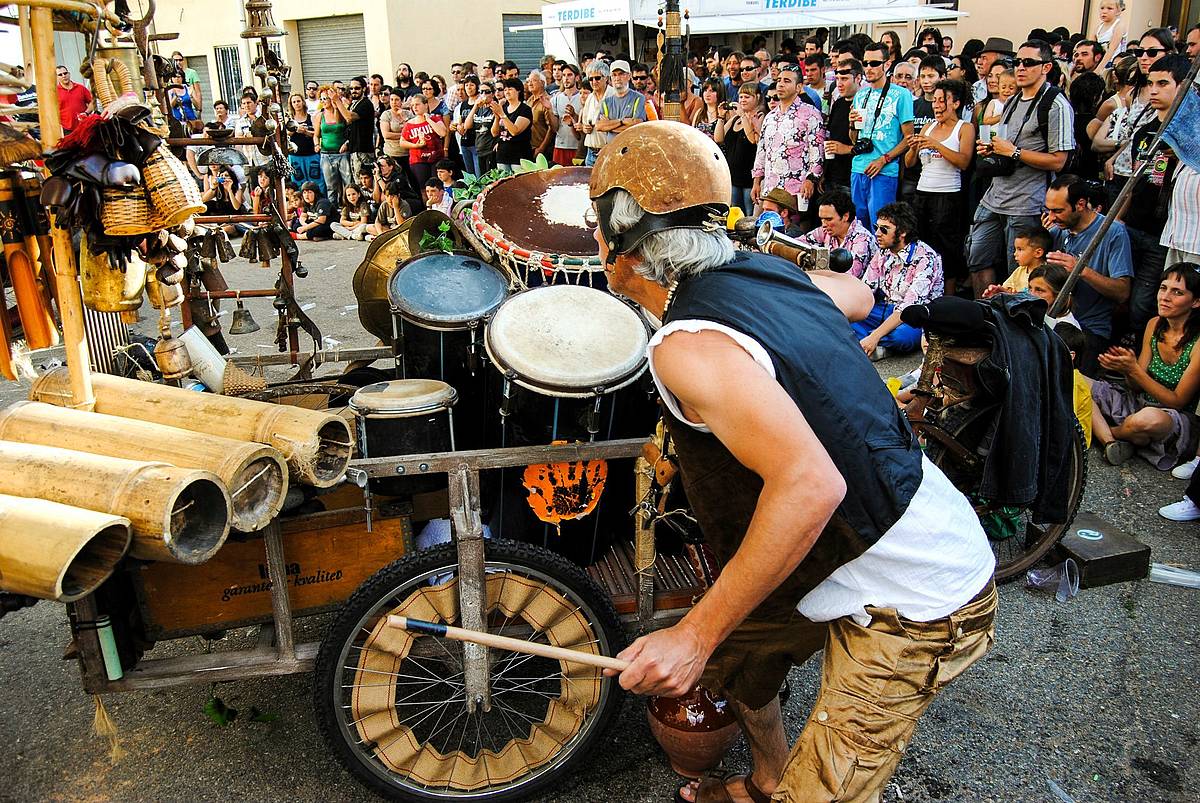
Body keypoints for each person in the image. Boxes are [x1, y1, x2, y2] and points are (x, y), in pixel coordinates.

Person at [587, 120, 996, 803]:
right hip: (853, 541)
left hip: (918, 595)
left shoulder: (684, 345)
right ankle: (768, 776)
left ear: (617, 245)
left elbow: (809, 484)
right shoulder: (765, 271)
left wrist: (690, 635)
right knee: (741, 656)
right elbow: (859, 298)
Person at [967, 39, 1075, 298]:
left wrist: (1012, 152)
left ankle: (1013, 328)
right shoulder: (1014, 99)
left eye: (1029, 63)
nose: (1021, 68)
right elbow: (1007, 145)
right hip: (995, 196)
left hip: (1027, 202)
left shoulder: (1056, 104)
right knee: (976, 257)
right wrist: (992, 149)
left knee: (1021, 272)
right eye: (1017, 62)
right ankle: (987, 318)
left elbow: (1059, 160)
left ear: (1047, 66)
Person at [1090, 263, 1200, 468]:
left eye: (1177, 292)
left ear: (1196, 302)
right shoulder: (1155, 324)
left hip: (1171, 419)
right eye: (1163, 288)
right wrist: (1125, 367)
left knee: (1146, 420)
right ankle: (1120, 439)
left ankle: (1106, 433)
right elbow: (1135, 387)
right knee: (1074, 379)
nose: (1165, 297)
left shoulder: (1198, 343)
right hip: (1138, 402)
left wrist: (1133, 370)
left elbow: (1177, 401)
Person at [1122, 54, 1188, 332]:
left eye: (1163, 83)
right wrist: (1119, 220)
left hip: (1163, 233)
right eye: (1151, 83)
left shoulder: (1189, 136)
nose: (1154, 90)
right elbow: (1135, 183)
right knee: (1125, 295)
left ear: (1182, 87)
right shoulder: (1145, 132)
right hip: (1134, 225)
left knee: (1144, 302)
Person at [1043, 174, 1132, 373]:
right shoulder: (1057, 229)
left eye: (1058, 211)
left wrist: (1081, 270)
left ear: (1081, 204)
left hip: (1088, 328)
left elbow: (1122, 292)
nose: (1051, 217)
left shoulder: (1113, 232)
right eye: (1048, 210)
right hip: (1052, 320)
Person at [906, 79, 973, 297]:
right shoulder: (929, 126)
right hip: (922, 192)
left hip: (948, 195)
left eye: (942, 101)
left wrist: (936, 145)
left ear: (955, 103)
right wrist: (913, 147)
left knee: (947, 251)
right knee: (921, 244)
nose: (937, 106)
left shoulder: (965, 128)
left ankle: (948, 300)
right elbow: (909, 163)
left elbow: (963, 161)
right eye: (934, 101)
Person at [853, 201, 944, 357]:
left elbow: (907, 309)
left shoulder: (926, 258)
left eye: (884, 229)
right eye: (876, 227)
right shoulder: (883, 252)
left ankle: (867, 341)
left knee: (901, 338)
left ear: (903, 232)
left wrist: (875, 336)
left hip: (916, 316)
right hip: (885, 308)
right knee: (844, 319)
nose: (877, 233)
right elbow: (865, 289)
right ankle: (872, 343)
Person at [848, 42, 914, 229]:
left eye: (874, 63)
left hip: (884, 170)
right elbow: (854, 139)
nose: (869, 68)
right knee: (859, 228)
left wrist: (883, 160)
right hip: (859, 167)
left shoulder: (901, 95)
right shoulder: (860, 95)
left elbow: (909, 138)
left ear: (887, 64)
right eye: (866, 63)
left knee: (881, 228)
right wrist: (852, 124)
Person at [753, 63, 823, 221]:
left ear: (798, 87)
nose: (781, 84)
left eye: (787, 81)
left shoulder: (810, 113)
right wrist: (757, 181)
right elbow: (762, 151)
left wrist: (811, 180)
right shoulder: (770, 116)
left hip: (797, 188)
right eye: (779, 80)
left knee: (794, 231)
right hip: (771, 187)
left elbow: (817, 152)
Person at [801, 189, 878, 278]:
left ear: (845, 216)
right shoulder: (825, 231)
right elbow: (798, 242)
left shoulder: (862, 240)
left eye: (829, 219)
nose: (824, 224)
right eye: (822, 219)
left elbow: (849, 276)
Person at [716, 83, 763, 216]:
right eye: (741, 96)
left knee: (749, 215)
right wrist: (721, 117)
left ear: (757, 97)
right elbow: (719, 138)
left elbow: (752, 140)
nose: (742, 100)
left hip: (749, 179)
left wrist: (744, 115)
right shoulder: (735, 119)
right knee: (734, 214)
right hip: (733, 177)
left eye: (747, 96)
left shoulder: (760, 117)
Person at [1053, 322, 1095, 448]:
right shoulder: (1057, 372)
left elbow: (1066, 421)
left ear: (1070, 356)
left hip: (1073, 448)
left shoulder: (1073, 382)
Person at [315, 86, 354, 209]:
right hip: (326, 154)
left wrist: (347, 143)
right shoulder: (319, 116)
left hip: (342, 153)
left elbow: (351, 131)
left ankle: (350, 207)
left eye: (326, 98)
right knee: (331, 185)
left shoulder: (342, 113)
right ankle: (333, 209)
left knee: (348, 182)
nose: (324, 101)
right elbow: (316, 135)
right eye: (321, 99)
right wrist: (316, 144)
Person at [400, 93, 448, 194]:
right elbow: (402, 142)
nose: (415, 107)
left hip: (436, 157)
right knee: (424, 188)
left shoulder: (435, 118)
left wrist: (428, 120)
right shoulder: (409, 124)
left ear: (426, 105)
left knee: (438, 186)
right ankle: (428, 208)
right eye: (413, 105)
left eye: (417, 104)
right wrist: (415, 145)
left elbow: (443, 132)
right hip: (418, 160)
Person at [984, 226, 1053, 295]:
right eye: (1015, 249)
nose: (1015, 254)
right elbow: (1007, 290)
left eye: (1020, 249)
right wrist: (999, 292)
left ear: (1038, 253)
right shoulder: (1019, 271)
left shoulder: (1047, 274)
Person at [597, 60, 649, 143]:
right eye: (614, 75)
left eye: (621, 74)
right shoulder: (606, 102)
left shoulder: (639, 98)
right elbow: (599, 126)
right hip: (611, 149)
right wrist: (622, 121)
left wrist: (610, 126)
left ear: (629, 76)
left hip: (631, 148)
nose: (617, 78)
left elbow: (637, 125)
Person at [491, 78, 532, 172]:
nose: (507, 92)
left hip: (519, 155)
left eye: (510, 89)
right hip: (502, 155)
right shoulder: (503, 108)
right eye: (505, 90)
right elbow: (494, 133)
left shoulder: (525, 109)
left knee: (519, 184)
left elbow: (515, 131)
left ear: (518, 91)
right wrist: (497, 118)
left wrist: (502, 114)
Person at [286, 93, 323, 195]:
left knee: (317, 181)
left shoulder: (311, 117)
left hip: (311, 154)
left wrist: (305, 131)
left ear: (303, 102)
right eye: (294, 102)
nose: (296, 104)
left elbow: (317, 133)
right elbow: (285, 135)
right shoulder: (289, 119)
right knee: (298, 182)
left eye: (298, 101)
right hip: (295, 156)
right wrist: (295, 129)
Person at [579, 61, 612, 166]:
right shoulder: (590, 97)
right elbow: (584, 125)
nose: (594, 82)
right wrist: (585, 128)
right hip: (591, 151)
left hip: (609, 151)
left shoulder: (614, 95)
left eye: (597, 78)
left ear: (606, 78)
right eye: (590, 79)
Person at [549, 64, 582, 167]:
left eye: (569, 75)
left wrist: (574, 116)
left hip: (578, 147)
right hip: (560, 146)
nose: (566, 78)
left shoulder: (583, 97)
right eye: (564, 75)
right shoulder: (556, 98)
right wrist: (549, 109)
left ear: (577, 77)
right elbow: (554, 128)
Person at [345, 76, 376, 179]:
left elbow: (349, 117)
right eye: (351, 88)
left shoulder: (366, 103)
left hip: (364, 150)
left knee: (365, 183)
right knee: (357, 183)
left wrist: (337, 101)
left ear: (363, 88)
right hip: (354, 149)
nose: (354, 91)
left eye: (357, 88)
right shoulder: (353, 104)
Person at [452, 75, 482, 175]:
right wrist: (458, 126)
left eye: (472, 85)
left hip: (476, 143)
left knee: (479, 174)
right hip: (465, 142)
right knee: (470, 175)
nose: (469, 87)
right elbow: (460, 122)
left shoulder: (480, 102)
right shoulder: (463, 104)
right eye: (467, 85)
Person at [525, 70, 557, 159]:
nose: (530, 83)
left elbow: (551, 128)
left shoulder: (548, 101)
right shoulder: (529, 101)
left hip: (544, 149)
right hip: (529, 147)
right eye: (528, 81)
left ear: (542, 83)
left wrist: (541, 148)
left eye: (534, 80)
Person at [971, 37, 1014, 103]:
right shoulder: (976, 86)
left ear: (998, 60)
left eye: (984, 58)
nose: (979, 62)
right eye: (990, 76)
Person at [55, 65, 93, 134]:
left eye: (65, 73)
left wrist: (86, 113)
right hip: (67, 130)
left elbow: (92, 102)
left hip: (84, 127)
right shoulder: (55, 93)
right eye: (60, 75)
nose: (64, 76)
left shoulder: (81, 88)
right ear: (57, 78)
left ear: (69, 74)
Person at [471, 81, 498, 174]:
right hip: (479, 149)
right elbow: (467, 125)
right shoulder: (478, 109)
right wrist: (475, 106)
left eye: (487, 92)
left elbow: (496, 132)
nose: (484, 94)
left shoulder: (496, 108)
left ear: (493, 94)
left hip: (491, 150)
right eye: (481, 92)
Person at [1093, 0, 1129, 66]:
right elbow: (1091, 47)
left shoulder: (1119, 26)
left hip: (1115, 63)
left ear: (1118, 11)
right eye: (1102, 8)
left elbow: (1112, 49)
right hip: (1100, 61)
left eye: (1110, 8)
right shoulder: (1098, 28)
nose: (1104, 11)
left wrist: (1099, 69)